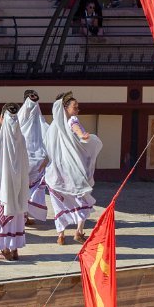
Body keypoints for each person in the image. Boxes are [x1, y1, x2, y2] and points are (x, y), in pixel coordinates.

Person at [44, 92, 102, 245]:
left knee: (59, 203)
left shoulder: (53, 127)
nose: (77, 110)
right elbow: (76, 128)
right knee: (82, 199)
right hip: (72, 170)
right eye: (75, 108)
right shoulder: (71, 121)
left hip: (56, 172)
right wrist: (83, 135)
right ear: (65, 108)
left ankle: (61, 235)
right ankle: (78, 232)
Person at [0, 103, 30, 261]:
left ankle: (4, 250)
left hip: (0, 186)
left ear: (1, 118)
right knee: (15, 215)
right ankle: (14, 249)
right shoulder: (21, 139)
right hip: (17, 186)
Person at [20, 90, 49, 227]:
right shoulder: (24, 115)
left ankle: (23, 216)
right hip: (27, 158)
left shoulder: (37, 119)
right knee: (23, 189)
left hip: (32, 159)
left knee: (24, 189)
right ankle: (21, 216)